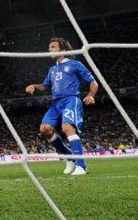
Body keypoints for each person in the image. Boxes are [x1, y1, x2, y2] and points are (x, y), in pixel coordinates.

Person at [25, 37, 99, 176]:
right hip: (56, 103)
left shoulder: (75, 64)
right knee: (45, 129)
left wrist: (91, 95)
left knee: (67, 128)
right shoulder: (52, 69)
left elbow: (93, 82)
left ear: (62, 49)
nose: (49, 49)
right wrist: (34, 86)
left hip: (71, 99)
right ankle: (69, 157)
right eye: (49, 47)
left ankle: (81, 166)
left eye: (53, 47)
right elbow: (45, 86)